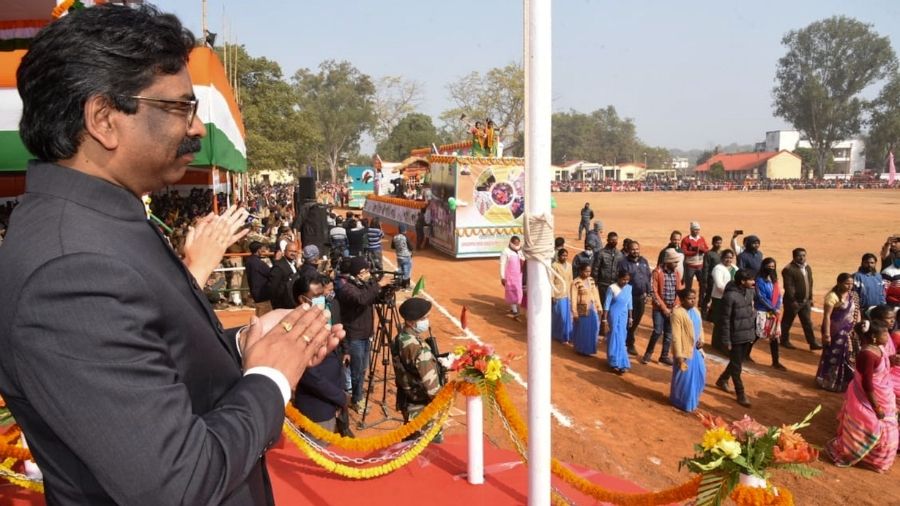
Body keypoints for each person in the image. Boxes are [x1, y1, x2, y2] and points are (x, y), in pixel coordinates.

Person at [0, 6, 344, 504]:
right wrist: (271, 377)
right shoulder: (69, 268)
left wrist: (244, 342)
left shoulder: (98, 224)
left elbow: (139, 352)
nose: (198, 128)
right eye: (181, 108)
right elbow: (177, 483)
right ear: (104, 119)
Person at [825, 321, 897, 472]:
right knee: (870, 427)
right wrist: (876, 407)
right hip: (867, 399)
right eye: (884, 334)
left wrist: (892, 360)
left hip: (882, 395)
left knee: (887, 429)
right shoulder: (868, 355)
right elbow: (868, 384)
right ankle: (856, 454)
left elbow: (880, 367)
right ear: (874, 337)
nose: (887, 336)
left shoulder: (878, 349)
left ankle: (871, 459)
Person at [290, 275, 347, 446]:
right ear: (302, 299)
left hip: (330, 403)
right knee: (317, 454)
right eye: (316, 296)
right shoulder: (296, 329)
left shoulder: (321, 318)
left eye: (323, 294)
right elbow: (309, 374)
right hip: (317, 409)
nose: (322, 299)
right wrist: (340, 397)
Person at [391, 297, 444, 443]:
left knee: (410, 441)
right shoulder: (420, 350)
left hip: (407, 400)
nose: (427, 321)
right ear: (410, 321)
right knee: (430, 445)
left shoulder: (399, 338)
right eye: (424, 318)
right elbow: (433, 390)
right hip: (421, 408)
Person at [335, 257, 384, 413]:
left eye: (367, 270)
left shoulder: (361, 284)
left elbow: (372, 297)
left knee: (362, 368)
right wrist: (377, 285)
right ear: (355, 274)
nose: (366, 274)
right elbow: (362, 299)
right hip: (354, 335)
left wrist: (378, 287)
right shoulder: (347, 288)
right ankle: (356, 399)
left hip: (366, 332)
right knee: (356, 370)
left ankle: (358, 395)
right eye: (363, 272)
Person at [715, 269, 757, 408]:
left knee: (736, 361)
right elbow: (725, 319)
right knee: (737, 366)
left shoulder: (750, 292)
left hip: (747, 333)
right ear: (742, 282)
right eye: (750, 280)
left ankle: (722, 380)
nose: (753, 282)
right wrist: (726, 340)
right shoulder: (730, 296)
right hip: (735, 336)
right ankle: (741, 393)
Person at [816, 273, 861, 393]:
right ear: (839, 283)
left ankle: (845, 383)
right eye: (847, 283)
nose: (850, 286)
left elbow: (857, 313)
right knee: (833, 357)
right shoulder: (832, 296)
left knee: (849, 357)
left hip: (850, 332)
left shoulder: (854, 296)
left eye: (851, 284)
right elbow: (827, 316)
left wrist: (858, 329)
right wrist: (826, 334)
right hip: (834, 332)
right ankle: (829, 382)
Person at [642, 249, 684, 365]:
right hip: (659, 309)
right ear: (668, 262)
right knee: (657, 331)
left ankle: (664, 356)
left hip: (672, 308)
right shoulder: (657, 272)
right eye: (675, 262)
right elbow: (654, 292)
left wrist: (675, 306)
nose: (676, 264)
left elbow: (679, 291)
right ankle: (648, 353)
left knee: (669, 333)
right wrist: (664, 308)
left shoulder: (676, 273)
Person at [670, 288, 706, 412]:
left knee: (700, 375)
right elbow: (676, 336)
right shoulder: (677, 313)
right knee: (684, 380)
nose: (693, 301)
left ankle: (693, 400)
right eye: (690, 299)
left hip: (696, 351)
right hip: (684, 352)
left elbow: (700, 327)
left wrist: (702, 340)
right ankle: (680, 401)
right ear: (682, 300)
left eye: (694, 298)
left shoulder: (696, 311)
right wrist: (679, 356)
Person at [781, 248, 823, 350]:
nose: (802, 258)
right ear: (794, 257)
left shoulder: (807, 267)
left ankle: (812, 343)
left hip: (805, 301)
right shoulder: (788, 269)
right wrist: (793, 301)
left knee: (807, 322)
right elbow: (789, 287)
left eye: (804, 255)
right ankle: (784, 340)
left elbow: (810, 283)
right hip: (793, 302)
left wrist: (810, 298)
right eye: (799, 255)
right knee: (787, 322)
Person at [616, 240, 652, 356]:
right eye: (633, 249)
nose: (635, 251)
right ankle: (628, 343)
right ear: (628, 249)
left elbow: (648, 277)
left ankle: (628, 338)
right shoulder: (624, 263)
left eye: (637, 249)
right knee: (628, 320)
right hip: (629, 297)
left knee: (637, 320)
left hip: (641, 296)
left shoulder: (644, 261)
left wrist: (648, 292)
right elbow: (621, 280)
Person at [752, 258, 785, 370]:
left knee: (774, 336)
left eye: (773, 267)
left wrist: (777, 306)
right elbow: (760, 297)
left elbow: (779, 295)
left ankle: (775, 361)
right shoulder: (759, 280)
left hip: (773, 311)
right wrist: (772, 308)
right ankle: (744, 354)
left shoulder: (774, 280)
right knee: (756, 333)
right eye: (769, 266)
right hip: (762, 310)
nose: (771, 269)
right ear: (763, 266)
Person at [604, 270, 633, 374]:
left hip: (624, 316)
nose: (625, 282)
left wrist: (630, 317)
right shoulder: (612, 288)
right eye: (623, 279)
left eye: (627, 280)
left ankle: (622, 362)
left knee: (621, 337)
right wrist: (604, 319)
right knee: (614, 337)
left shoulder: (629, 288)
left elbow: (630, 304)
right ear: (618, 278)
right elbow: (607, 304)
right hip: (613, 315)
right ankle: (613, 362)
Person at [571, 264, 603, 356]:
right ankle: (581, 349)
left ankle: (589, 349)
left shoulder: (591, 280)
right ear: (581, 271)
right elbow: (573, 299)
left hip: (592, 307)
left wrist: (599, 306)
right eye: (586, 271)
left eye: (589, 271)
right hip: (581, 308)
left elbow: (596, 294)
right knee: (583, 329)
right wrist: (575, 313)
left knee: (592, 329)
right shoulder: (575, 282)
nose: (588, 273)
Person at [594, 231, 623, 313]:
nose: (614, 242)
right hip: (603, 284)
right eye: (612, 240)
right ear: (607, 240)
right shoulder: (601, 253)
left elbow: (620, 269)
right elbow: (596, 268)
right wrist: (595, 283)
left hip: (615, 284)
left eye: (615, 240)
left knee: (613, 306)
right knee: (603, 305)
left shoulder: (619, 254)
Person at [551, 248, 574, 344]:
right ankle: (558, 335)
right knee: (559, 316)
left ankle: (567, 335)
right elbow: (551, 281)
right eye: (562, 255)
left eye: (565, 255)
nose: (564, 257)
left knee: (567, 316)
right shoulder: (554, 266)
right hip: (558, 294)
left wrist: (572, 293)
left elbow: (571, 279)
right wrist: (552, 295)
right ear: (559, 256)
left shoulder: (569, 265)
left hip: (567, 294)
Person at [500, 236, 526, 319]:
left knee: (518, 292)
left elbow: (523, 261)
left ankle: (515, 308)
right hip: (510, 276)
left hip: (519, 275)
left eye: (518, 243)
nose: (517, 244)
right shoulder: (506, 251)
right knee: (511, 292)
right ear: (511, 242)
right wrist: (502, 277)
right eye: (515, 243)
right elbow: (502, 264)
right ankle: (514, 311)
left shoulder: (520, 251)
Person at [245, 241, 273, 316]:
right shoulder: (258, 263)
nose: (262, 250)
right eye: (261, 249)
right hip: (262, 293)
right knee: (265, 316)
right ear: (258, 250)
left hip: (255, 291)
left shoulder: (249, 261)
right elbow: (270, 273)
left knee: (260, 313)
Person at [269, 242, 300, 309]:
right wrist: (277, 306)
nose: (293, 253)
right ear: (284, 251)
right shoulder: (278, 267)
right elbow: (273, 288)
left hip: (293, 303)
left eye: (295, 251)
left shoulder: (294, 265)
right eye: (290, 251)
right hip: (283, 305)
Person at [681, 222, 709, 295]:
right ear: (691, 230)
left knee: (703, 284)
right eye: (695, 230)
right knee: (688, 285)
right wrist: (695, 252)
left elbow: (706, 249)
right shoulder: (686, 240)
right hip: (690, 266)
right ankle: (687, 301)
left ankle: (701, 301)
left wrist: (702, 250)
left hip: (700, 265)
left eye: (698, 230)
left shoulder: (701, 239)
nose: (697, 231)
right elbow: (684, 252)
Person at [700, 235, 724, 317]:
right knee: (708, 296)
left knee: (718, 296)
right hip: (711, 279)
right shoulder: (709, 254)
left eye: (720, 243)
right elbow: (705, 268)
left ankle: (713, 314)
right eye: (717, 243)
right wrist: (705, 281)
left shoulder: (723, 254)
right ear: (713, 243)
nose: (719, 245)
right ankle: (703, 313)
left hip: (721, 279)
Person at [392, 224, 413, 290]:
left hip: (399, 257)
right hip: (406, 256)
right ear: (404, 230)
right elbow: (411, 247)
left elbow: (392, 246)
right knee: (407, 271)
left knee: (400, 270)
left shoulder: (395, 237)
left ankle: (400, 284)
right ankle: (406, 286)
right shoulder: (405, 237)